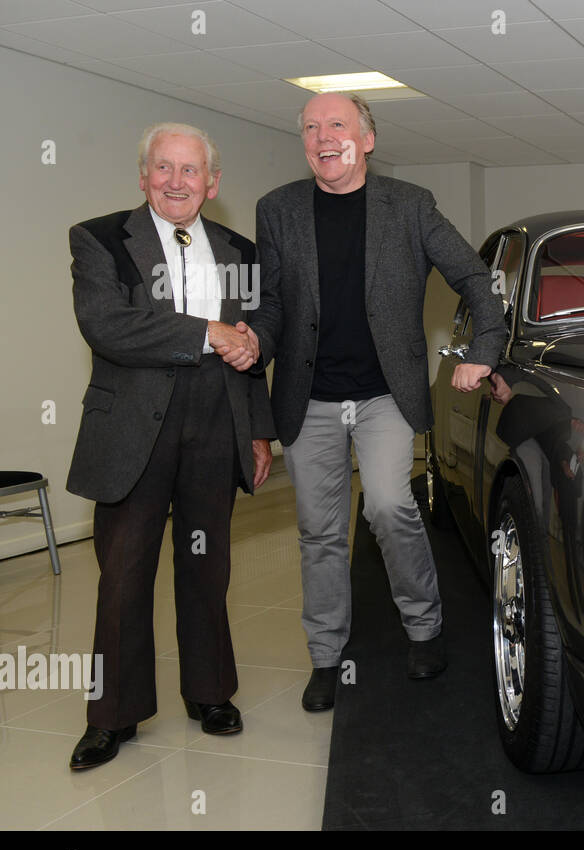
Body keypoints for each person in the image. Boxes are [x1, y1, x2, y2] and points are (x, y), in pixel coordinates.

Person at [249, 92, 507, 712]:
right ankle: (325, 653)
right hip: (308, 396)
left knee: (390, 507)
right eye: (310, 127)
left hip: (384, 393)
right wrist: (251, 344)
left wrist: (485, 349)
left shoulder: (410, 207)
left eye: (336, 124)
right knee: (318, 531)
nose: (322, 136)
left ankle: (423, 627)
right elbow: (274, 305)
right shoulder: (278, 209)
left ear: (367, 139)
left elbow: (475, 278)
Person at [67, 123, 273, 769]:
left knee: (207, 565)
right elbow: (110, 325)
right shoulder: (99, 238)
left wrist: (259, 422)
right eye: (164, 168)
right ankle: (113, 716)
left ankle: (211, 693)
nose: (176, 181)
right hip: (134, 425)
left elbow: (259, 331)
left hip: (218, 417)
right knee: (123, 574)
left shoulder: (240, 248)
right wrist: (212, 330)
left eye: (190, 171)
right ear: (143, 175)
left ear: (212, 183)